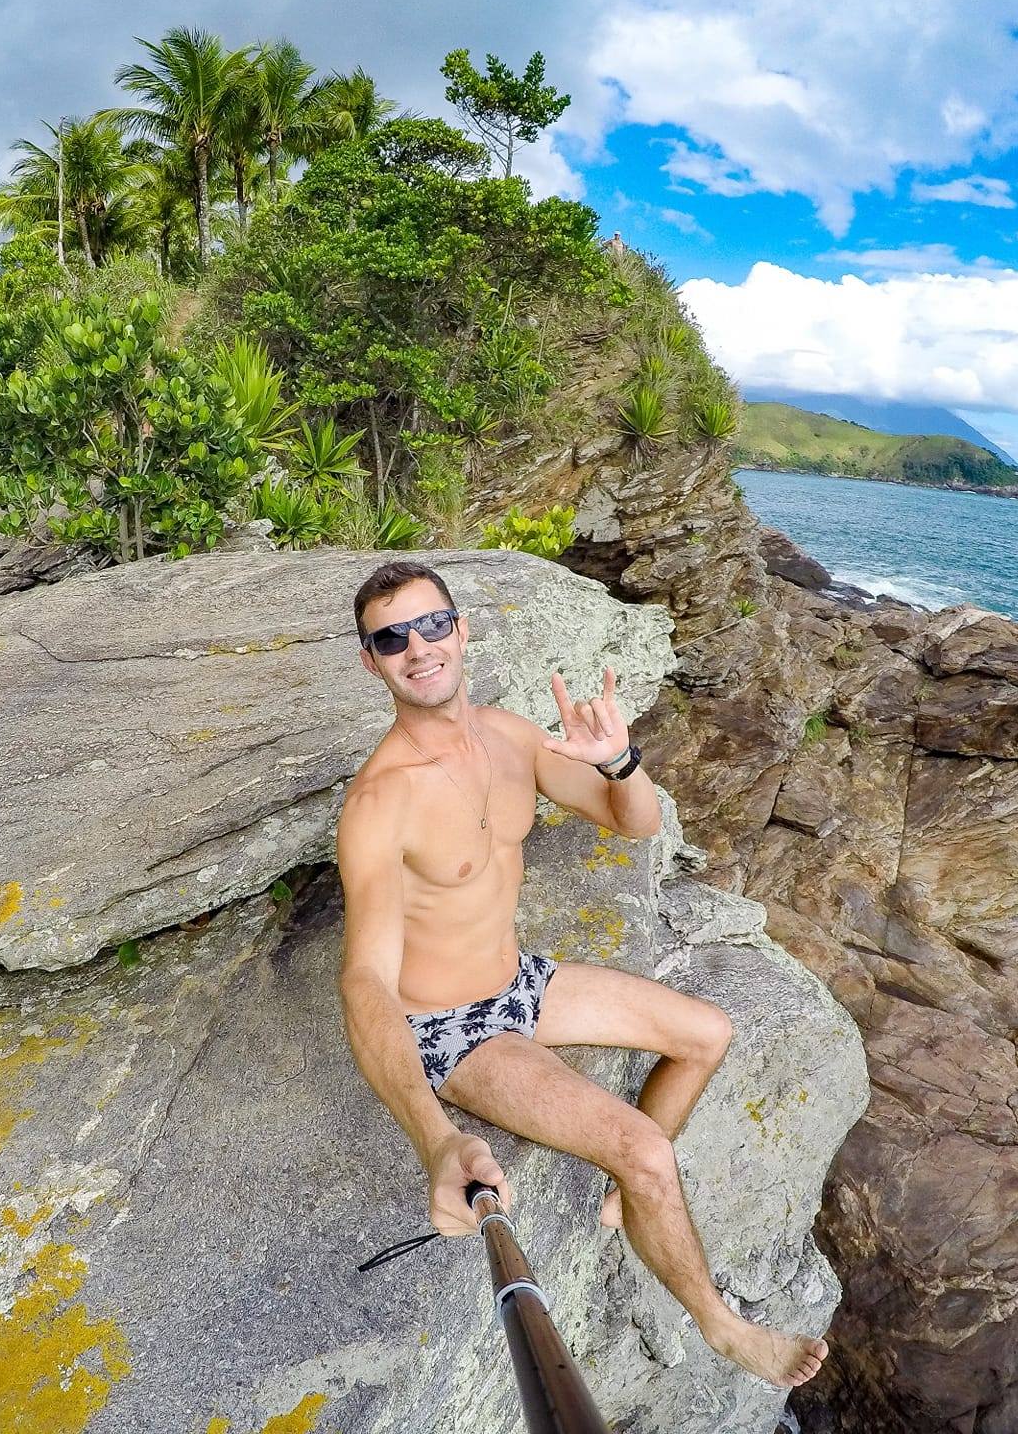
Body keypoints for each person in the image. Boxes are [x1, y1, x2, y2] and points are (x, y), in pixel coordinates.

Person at [335, 559, 827, 1389]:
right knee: (646, 1150)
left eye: (431, 624)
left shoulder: (507, 736)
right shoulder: (381, 802)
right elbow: (365, 981)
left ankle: (628, 1198)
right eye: (391, 639)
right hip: (450, 1029)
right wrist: (436, 1139)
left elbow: (633, 823)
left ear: (461, 630)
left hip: (518, 980)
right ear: (370, 661)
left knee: (707, 1032)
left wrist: (619, 761)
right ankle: (721, 1325)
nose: (417, 648)